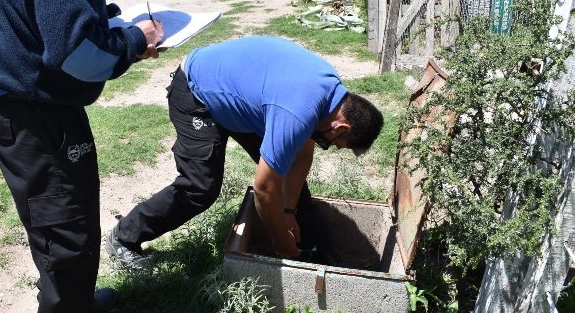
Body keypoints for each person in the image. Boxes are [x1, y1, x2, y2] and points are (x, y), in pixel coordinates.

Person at [0, 0, 163, 311]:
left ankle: (78, 300)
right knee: (64, 231)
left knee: (73, 212)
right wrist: (135, 40)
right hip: (27, 108)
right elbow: (76, 53)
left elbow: (54, 14)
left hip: (41, 98)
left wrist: (110, 21)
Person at [105, 36, 384, 270]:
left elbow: (301, 155)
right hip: (197, 91)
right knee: (200, 187)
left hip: (242, 100)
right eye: (335, 144)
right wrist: (279, 239)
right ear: (341, 127)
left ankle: (314, 253)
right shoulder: (298, 112)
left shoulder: (328, 95)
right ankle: (124, 238)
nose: (330, 147)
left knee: (293, 190)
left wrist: (288, 211)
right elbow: (263, 190)